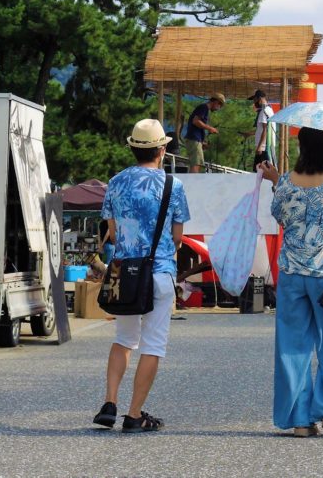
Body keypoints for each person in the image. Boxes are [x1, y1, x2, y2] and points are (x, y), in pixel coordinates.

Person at [93, 119, 190, 433]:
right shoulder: (174, 186)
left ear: (132, 147)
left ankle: (110, 402)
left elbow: (112, 230)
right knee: (152, 345)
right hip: (157, 272)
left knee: (123, 339)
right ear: (162, 150)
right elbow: (177, 237)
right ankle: (134, 415)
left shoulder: (116, 182)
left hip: (123, 272)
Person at [259, 127, 323, 437]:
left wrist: (277, 182)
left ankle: (301, 420)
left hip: (291, 273)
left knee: (293, 345)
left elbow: (281, 217)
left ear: (302, 148)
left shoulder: (287, 181)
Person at [184, 93, 225, 173]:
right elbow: (196, 121)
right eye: (220, 105)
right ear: (216, 102)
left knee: (197, 164)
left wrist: (202, 142)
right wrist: (210, 128)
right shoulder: (204, 107)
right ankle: (192, 184)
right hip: (194, 139)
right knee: (196, 164)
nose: (219, 108)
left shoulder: (204, 108)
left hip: (196, 140)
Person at [242, 89, 275, 168]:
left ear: (259, 99)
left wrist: (260, 147)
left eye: (254, 100)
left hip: (263, 148)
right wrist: (250, 133)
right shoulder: (269, 109)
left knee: (261, 173)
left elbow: (265, 130)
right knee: (262, 172)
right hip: (266, 147)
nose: (254, 103)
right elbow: (263, 129)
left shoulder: (264, 111)